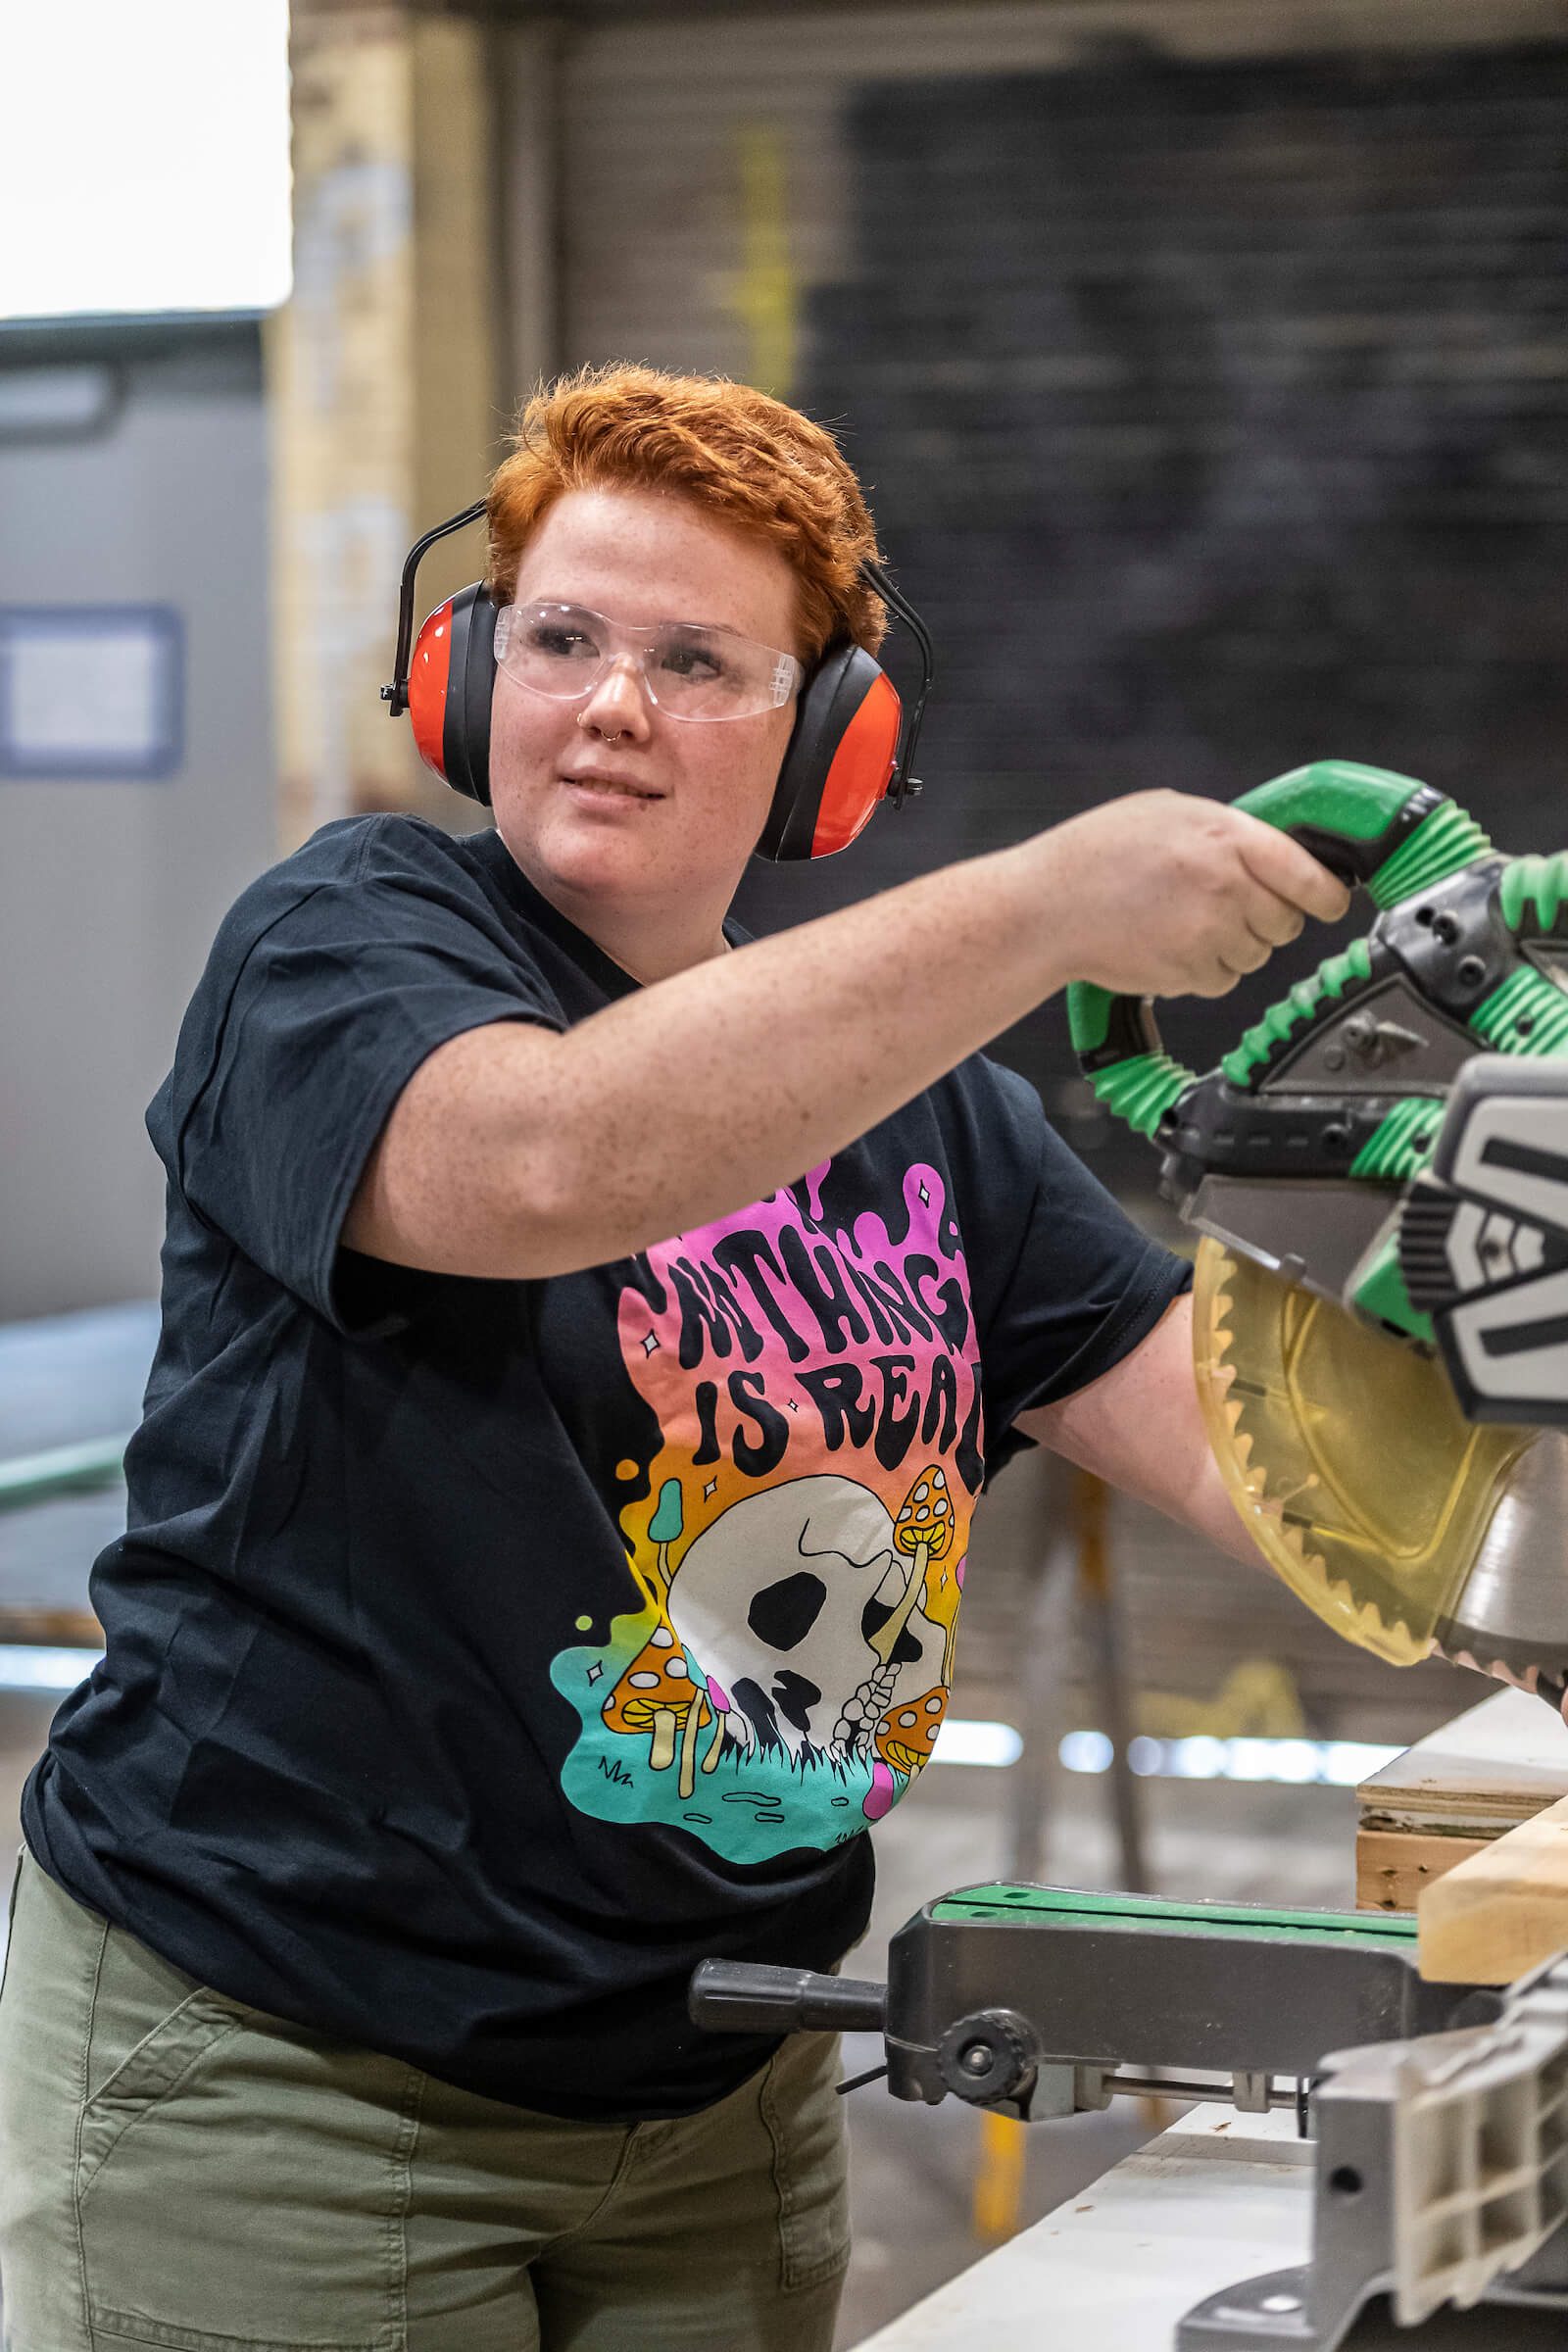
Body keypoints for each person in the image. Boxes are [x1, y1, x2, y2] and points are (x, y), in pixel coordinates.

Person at [0, 365, 1350, 2352]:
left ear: (822, 745)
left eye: (694, 660)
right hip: (283, 2079)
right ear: (467, 679)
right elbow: (538, 1159)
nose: (610, 700)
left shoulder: (928, 1112)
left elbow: (1261, 1454)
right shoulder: (338, 942)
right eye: (560, 637)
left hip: (719, 2083)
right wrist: (1046, 907)